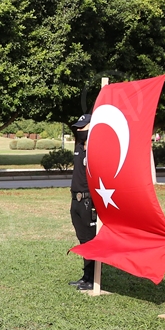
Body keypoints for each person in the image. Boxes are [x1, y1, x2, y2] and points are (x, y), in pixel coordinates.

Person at [68, 114, 98, 291]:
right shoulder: (79, 146)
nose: (79, 131)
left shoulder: (97, 149)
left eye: (83, 128)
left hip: (89, 201)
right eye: (78, 128)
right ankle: (86, 276)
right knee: (83, 240)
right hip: (75, 199)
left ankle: (93, 278)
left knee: (91, 240)